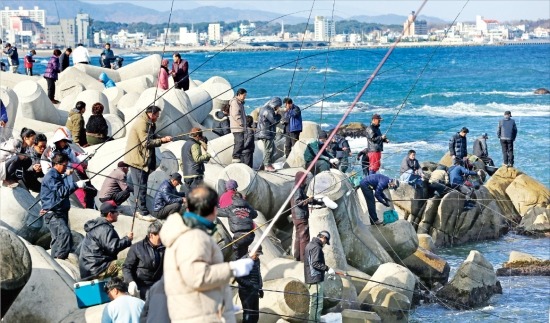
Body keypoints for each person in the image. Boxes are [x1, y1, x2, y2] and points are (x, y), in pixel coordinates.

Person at [159, 185, 254, 323]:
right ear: (214, 210)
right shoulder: (194, 236)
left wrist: (221, 304)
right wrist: (232, 268)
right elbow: (196, 276)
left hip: (194, 313)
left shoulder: (181, 233)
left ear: (189, 207)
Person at [124, 105, 172, 221]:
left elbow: (151, 135)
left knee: (139, 186)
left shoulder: (148, 122)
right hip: (138, 160)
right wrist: (162, 141)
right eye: (157, 115)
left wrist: (161, 137)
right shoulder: (142, 123)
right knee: (141, 186)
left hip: (140, 159)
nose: (158, 117)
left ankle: (139, 209)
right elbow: (146, 142)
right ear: (151, 114)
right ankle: (142, 212)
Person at [40, 153, 88, 259]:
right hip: (53, 213)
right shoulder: (51, 176)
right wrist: (77, 185)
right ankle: (61, 259)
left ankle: (55, 260)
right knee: (64, 233)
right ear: (57, 164)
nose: (66, 167)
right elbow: (61, 191)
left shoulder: (56, 174)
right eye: (65, 165)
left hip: (60, 211)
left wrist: (65, 174)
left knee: (57, 239)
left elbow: (58, 182)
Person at [79, 200, 133, 280]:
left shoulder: (97, 226)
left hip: (89, 269)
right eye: (116, 212)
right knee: (127, 263)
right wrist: (127, 239)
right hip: (98, 269)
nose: (118, 214)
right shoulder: (104, 228)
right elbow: (112, 248)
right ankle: (119, 288)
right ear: (110, 214)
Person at [123, 221, 165, 300]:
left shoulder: (164, 247)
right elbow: (126, 267)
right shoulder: (137, 248)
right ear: (151, 235)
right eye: (160, 236)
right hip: (142, 285)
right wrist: (131, 282)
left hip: (159, 283)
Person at [290, 171, 324, 262]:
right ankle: (304, 259)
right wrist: (308, 200)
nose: (305, 181)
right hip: (300, 217)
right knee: (304, 238)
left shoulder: (297, 187)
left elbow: (302, 198)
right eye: (304, 179)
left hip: (296, 217)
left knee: (298, 237)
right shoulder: (297, 189)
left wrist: (315, 201)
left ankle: (297, 257)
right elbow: (299, 202)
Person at [304, 230, 335, 322]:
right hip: (315, 279)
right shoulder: (316, 247)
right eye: (326, 241)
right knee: (317, 303)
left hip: (310, 277)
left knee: (313, 303)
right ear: (324, 238)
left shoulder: (310, 244)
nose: (325, 243)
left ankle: (313, 321)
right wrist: (327, 269)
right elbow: (315, 263)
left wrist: (323, 271)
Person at [218, 192, 258, 260]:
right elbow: (255, 214)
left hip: (239, 237)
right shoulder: (248, 207)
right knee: (244, 252)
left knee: (236, 255)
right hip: (250, 236)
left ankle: (239, 264)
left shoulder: (230, 208)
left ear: (233, 200)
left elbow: (218, 212)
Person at [236, 246, 263, 323]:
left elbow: (258, 274)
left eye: (258, 255)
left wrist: (260, 287)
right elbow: (238, 278)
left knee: (255, 315)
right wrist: (250, 285)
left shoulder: (257, 261)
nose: (257, 256)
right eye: (256, 254)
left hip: (255, 291)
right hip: (245, 292)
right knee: (248, 315)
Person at [257, 97, 282, 172]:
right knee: (269, 150)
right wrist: (279, 115)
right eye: (278, 106)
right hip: (266, 133)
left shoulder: (266, 108)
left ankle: (268, 164)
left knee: (272, 149)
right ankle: (267, 165)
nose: (278, 107)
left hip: (265, 132)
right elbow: (274, 121)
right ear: (275, 104)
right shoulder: (268, 110)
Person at [229, 88, 248, 163]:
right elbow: (235, 114)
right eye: (244, 95)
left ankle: (238, 156)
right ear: (239, 95)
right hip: (237, 127)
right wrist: (242, 123)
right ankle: (235, 157)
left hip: (240, 127)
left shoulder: (240, 102)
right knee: (239, 142)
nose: (245, 97)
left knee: (241, 142)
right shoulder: (235, 102)